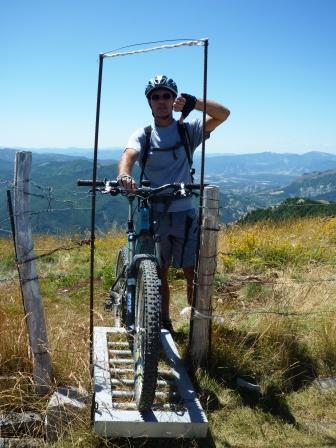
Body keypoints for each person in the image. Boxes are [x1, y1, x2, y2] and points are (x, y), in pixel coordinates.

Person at [117, 75, 230, 333]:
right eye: (155, 97)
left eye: (166, 95)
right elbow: (128, 156)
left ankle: (196, 325)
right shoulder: (143, 134)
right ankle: (163, 321)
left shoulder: (187, 130)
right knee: (159, 272)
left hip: (184, 212)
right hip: (153, 210)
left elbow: (223, 114)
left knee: (193, 271)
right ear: (149, 102)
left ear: (174, 99)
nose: (161, 101)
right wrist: (124, 174)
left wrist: (195, 102)